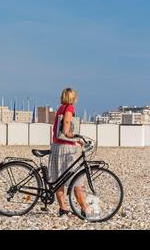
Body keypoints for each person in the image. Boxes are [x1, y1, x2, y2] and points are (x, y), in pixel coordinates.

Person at [49, 88, 88, 218]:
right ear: (73, 98)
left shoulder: (61, 108)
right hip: (66, 148)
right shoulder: (70, 108)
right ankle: (84, 209)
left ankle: (63, 209)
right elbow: (66, 126)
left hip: (56, 145)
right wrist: (76, 138)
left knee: (59, 179)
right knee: (76, 179)